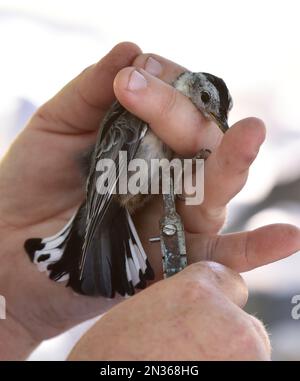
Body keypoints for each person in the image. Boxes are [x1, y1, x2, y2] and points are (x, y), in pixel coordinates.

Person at [0, 42, 299, 361]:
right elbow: (110, 182)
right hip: (111, 202)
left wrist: (15, 317)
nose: (213, 117)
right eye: (207, 101)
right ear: (191, 86)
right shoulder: (134, 118)